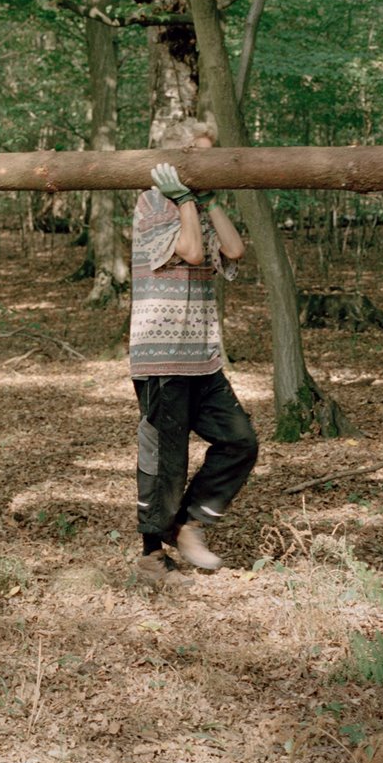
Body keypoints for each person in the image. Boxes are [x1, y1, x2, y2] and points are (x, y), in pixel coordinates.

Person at [128, 121, 259, 588]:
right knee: (166, 458)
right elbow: (190, 251)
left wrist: (209, 201)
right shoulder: (151, 201)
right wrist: (184, 201)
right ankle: (150, 556)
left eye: (211, 156)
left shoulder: (194, 203)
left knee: (240, 440)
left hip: (202, 355)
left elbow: (235, 250)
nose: (207, 164)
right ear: (177, 159)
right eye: (198, 157)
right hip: (161, 356)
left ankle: (187, 524)